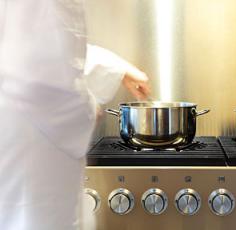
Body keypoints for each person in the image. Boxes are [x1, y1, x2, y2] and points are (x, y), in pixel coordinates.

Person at [0, 1, 150, 229]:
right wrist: (86, 106)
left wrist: (113, 68)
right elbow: (35, 76)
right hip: (31, 152)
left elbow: (40, 42)